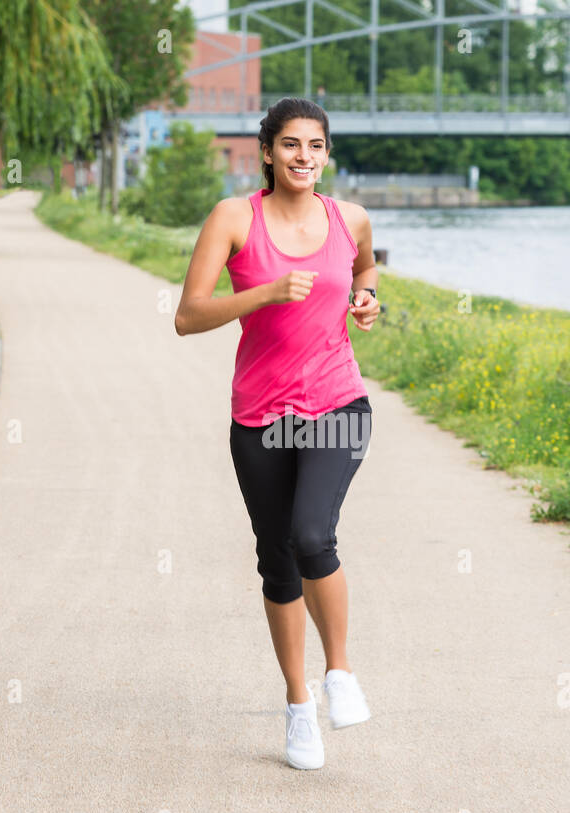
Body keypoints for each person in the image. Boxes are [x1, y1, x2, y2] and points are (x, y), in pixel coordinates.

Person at [174, 96, 380, 770]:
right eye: (290, 145)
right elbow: (189, 315)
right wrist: (262, 293)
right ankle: (298, 705)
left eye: (315, 146)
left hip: (337, 403)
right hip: (261, 415)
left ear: (326, 153)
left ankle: (340, 672)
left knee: (313, 533)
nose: (303, 158)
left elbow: (365, 269)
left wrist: (368, 298)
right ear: (267, 152)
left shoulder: (349, 217)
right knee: (277, 556)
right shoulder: (235, 218)